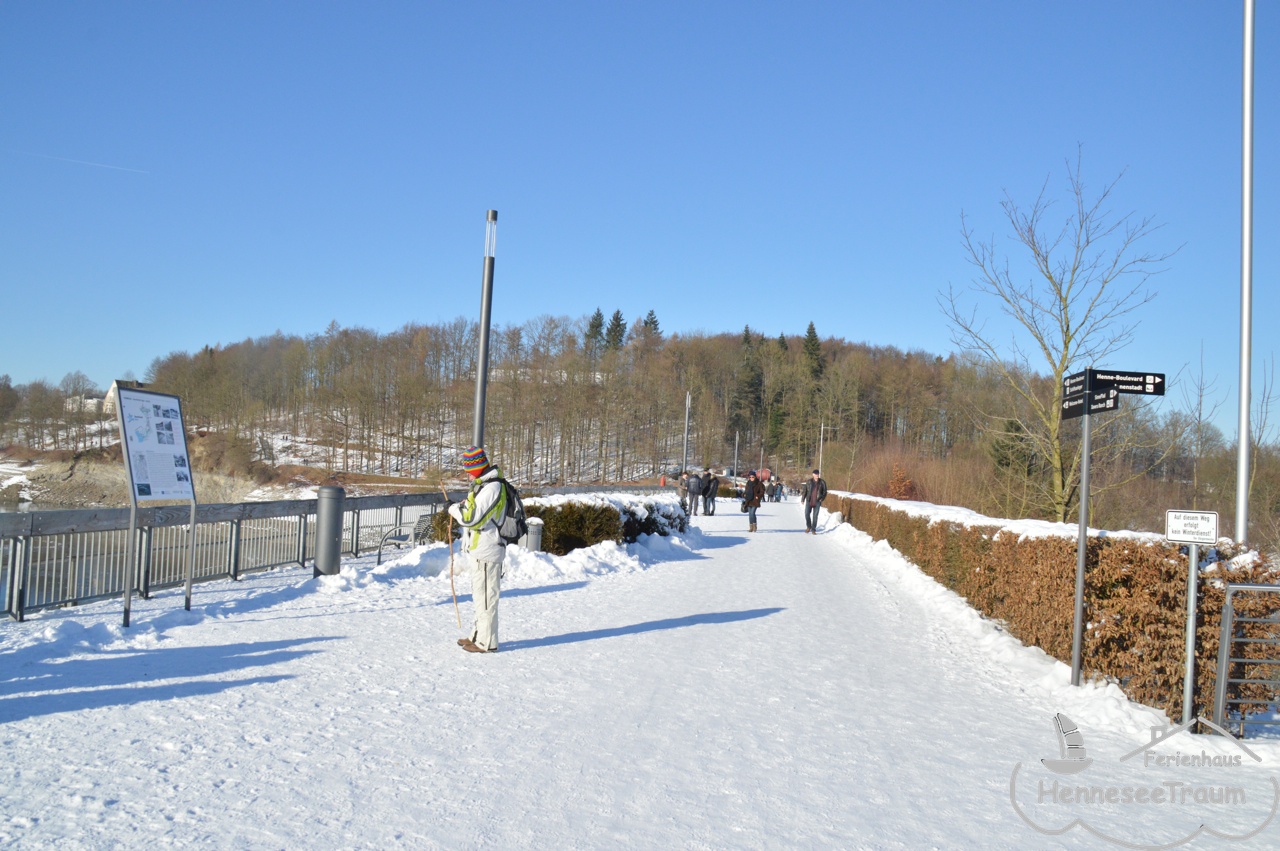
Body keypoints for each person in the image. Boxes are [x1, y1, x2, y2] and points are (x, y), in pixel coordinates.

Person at [447, 446, 508, 653]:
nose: (466, 473)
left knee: (487, 597)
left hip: (488, 550)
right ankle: (477, 635)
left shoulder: (492, 488)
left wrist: (454, 509)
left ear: (477, 466)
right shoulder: (484, 485)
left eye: (468, 468)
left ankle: (487, 642)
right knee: (479, 596)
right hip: (480, 549)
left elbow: (471, 518)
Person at [801, 468, 828, 534]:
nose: (817, 475)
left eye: (818, 474)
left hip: (817, 501)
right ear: (813, 474)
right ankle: (808, 526)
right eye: (816, 474)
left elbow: (825, 491)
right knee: (807, 514)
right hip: (809, 500)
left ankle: (813, 529)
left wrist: (822, 498)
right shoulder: (809, 482)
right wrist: (803, 499)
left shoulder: (822, 482)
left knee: (815, 516)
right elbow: (805, 491)